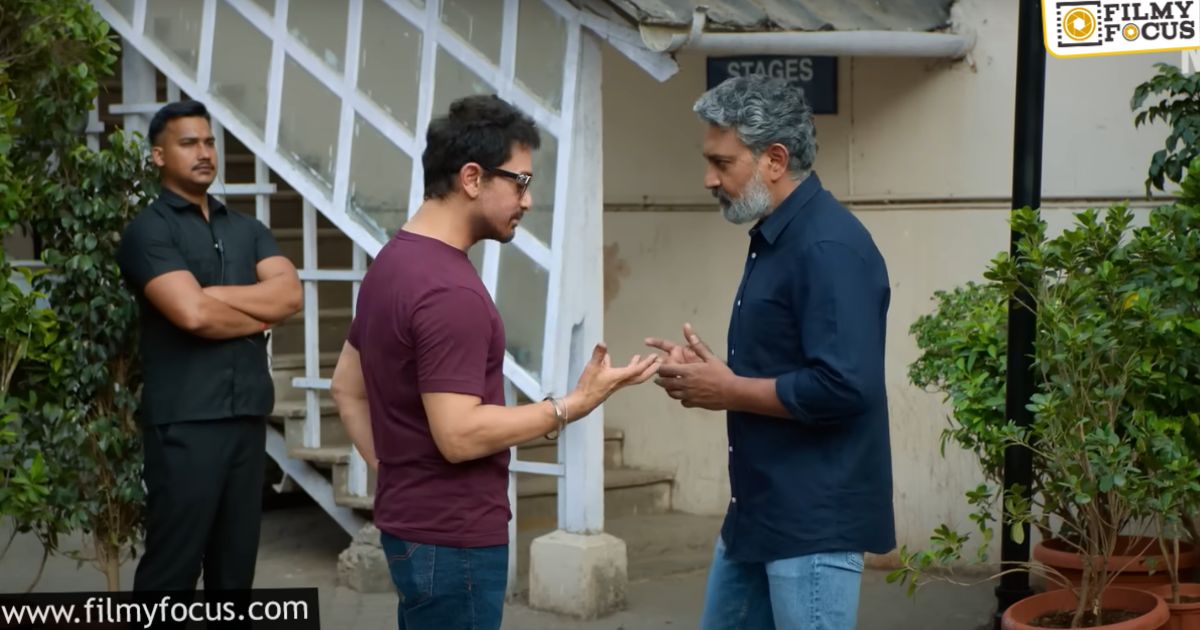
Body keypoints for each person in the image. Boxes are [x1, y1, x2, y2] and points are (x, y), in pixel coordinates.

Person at [330, 94, 660, 630]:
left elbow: (346, 388)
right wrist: (573, 405)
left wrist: (398, 477)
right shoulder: (448, 291)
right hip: (454, 540)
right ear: (471, 178)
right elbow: (458, 435)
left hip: (413, 527)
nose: (528, 200)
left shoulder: (392, 262)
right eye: (520, 182)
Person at [646, 75, 894, 630]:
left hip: (812, 525)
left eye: (723, 163)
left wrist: (729, 389)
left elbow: (845, 386)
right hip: (758, 515)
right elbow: (791, 366)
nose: (709, 178)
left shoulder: (827, 246)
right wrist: (713, 375)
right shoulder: (781, 236)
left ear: (775, 160)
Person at [117, 100, 301, 595]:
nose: (204, 153)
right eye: (188, 143)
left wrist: (215, 297)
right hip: (185, 424)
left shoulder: (248, 230)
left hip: (246, 419)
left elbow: (290, 295)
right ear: (158, 156)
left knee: (234, 575)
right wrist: (257, 315)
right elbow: (192, 315)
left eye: (209, 142)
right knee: (172, 572)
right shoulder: (149, 231)